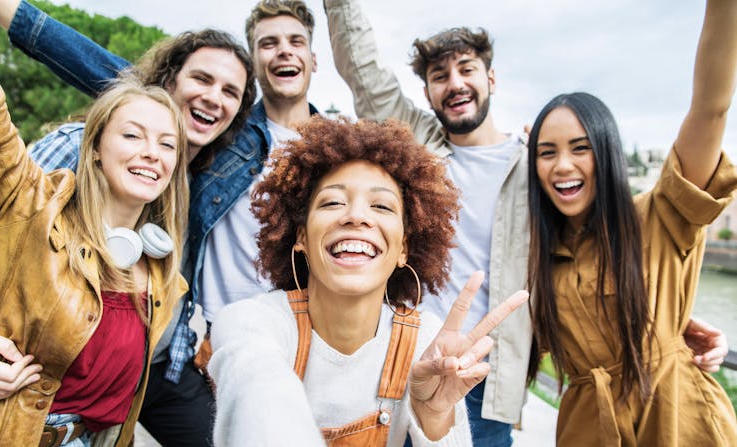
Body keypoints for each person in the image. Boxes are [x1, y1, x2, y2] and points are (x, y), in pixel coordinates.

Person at [324, 1, 733, 444]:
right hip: (402, 362)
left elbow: (605, 243)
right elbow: (365, 73)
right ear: (427, 94)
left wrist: (663, 318)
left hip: (486, 380)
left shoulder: (535, 171)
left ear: (492, 78)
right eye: (440, 76)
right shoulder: (418, 149)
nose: (455, 83)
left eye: (467, 69)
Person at [0, 0, 255, 444]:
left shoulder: (159, 261)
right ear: (94, 147)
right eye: (133, 135)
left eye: (165, 145)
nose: (151, 152)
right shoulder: (35, 203)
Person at [208, 116, 529, 446]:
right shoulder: (250, 323)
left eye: (381, 206)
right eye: (333, 202)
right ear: (300, 235)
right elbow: (257, 393)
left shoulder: (426, 344)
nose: (356, 216)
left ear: (404, 247)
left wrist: (435, 418)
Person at [525, 0, 737, 445]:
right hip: (588, 428)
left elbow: (710, 109)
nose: (563, 165)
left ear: (607, 153)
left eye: (580, 148)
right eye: (547, 153)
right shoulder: (539, 255)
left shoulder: (662, 215)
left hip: (678, 419)